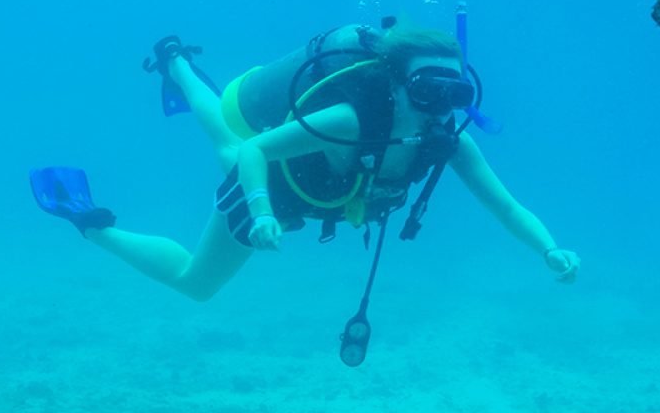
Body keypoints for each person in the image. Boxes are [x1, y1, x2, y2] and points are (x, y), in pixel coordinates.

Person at [30, 20, 580, 307]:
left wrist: (549, 247)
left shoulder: (447, 139)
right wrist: (263, 209)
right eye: (425, 87)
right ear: (394, 82)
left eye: (452, 92)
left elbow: (506, 207)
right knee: (195, 280)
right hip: (271, 187)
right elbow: (255, 152)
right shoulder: (350, 117)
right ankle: (91, 225)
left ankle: (175, 65)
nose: (438, 105)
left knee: (223, 133)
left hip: (319, 191)